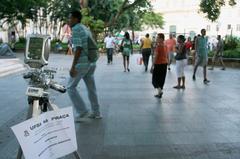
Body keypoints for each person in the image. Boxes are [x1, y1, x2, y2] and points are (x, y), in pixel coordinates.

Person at [67, 10, 101, 120]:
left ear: (76, 19)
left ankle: (82, 111)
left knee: (70, 87)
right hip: (91, 63)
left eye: (70, 18)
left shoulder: (76, 29)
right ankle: (96, 112)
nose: (69, 20)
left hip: (82, 64)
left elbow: (79, 48)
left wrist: (73, 67)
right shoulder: (85, 28)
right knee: (91, 89)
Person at [151, 33, 168, 98]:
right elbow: (167, 54)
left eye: (157, 38)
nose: (156, 39)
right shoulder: (165, 45)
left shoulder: (158, 46)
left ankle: (160, 91)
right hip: (164, 64)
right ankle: (159, 93)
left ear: (161, 39)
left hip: (158, 64)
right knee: (161, 79)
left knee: (154, 80)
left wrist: (152, 66)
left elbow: (155, 56)